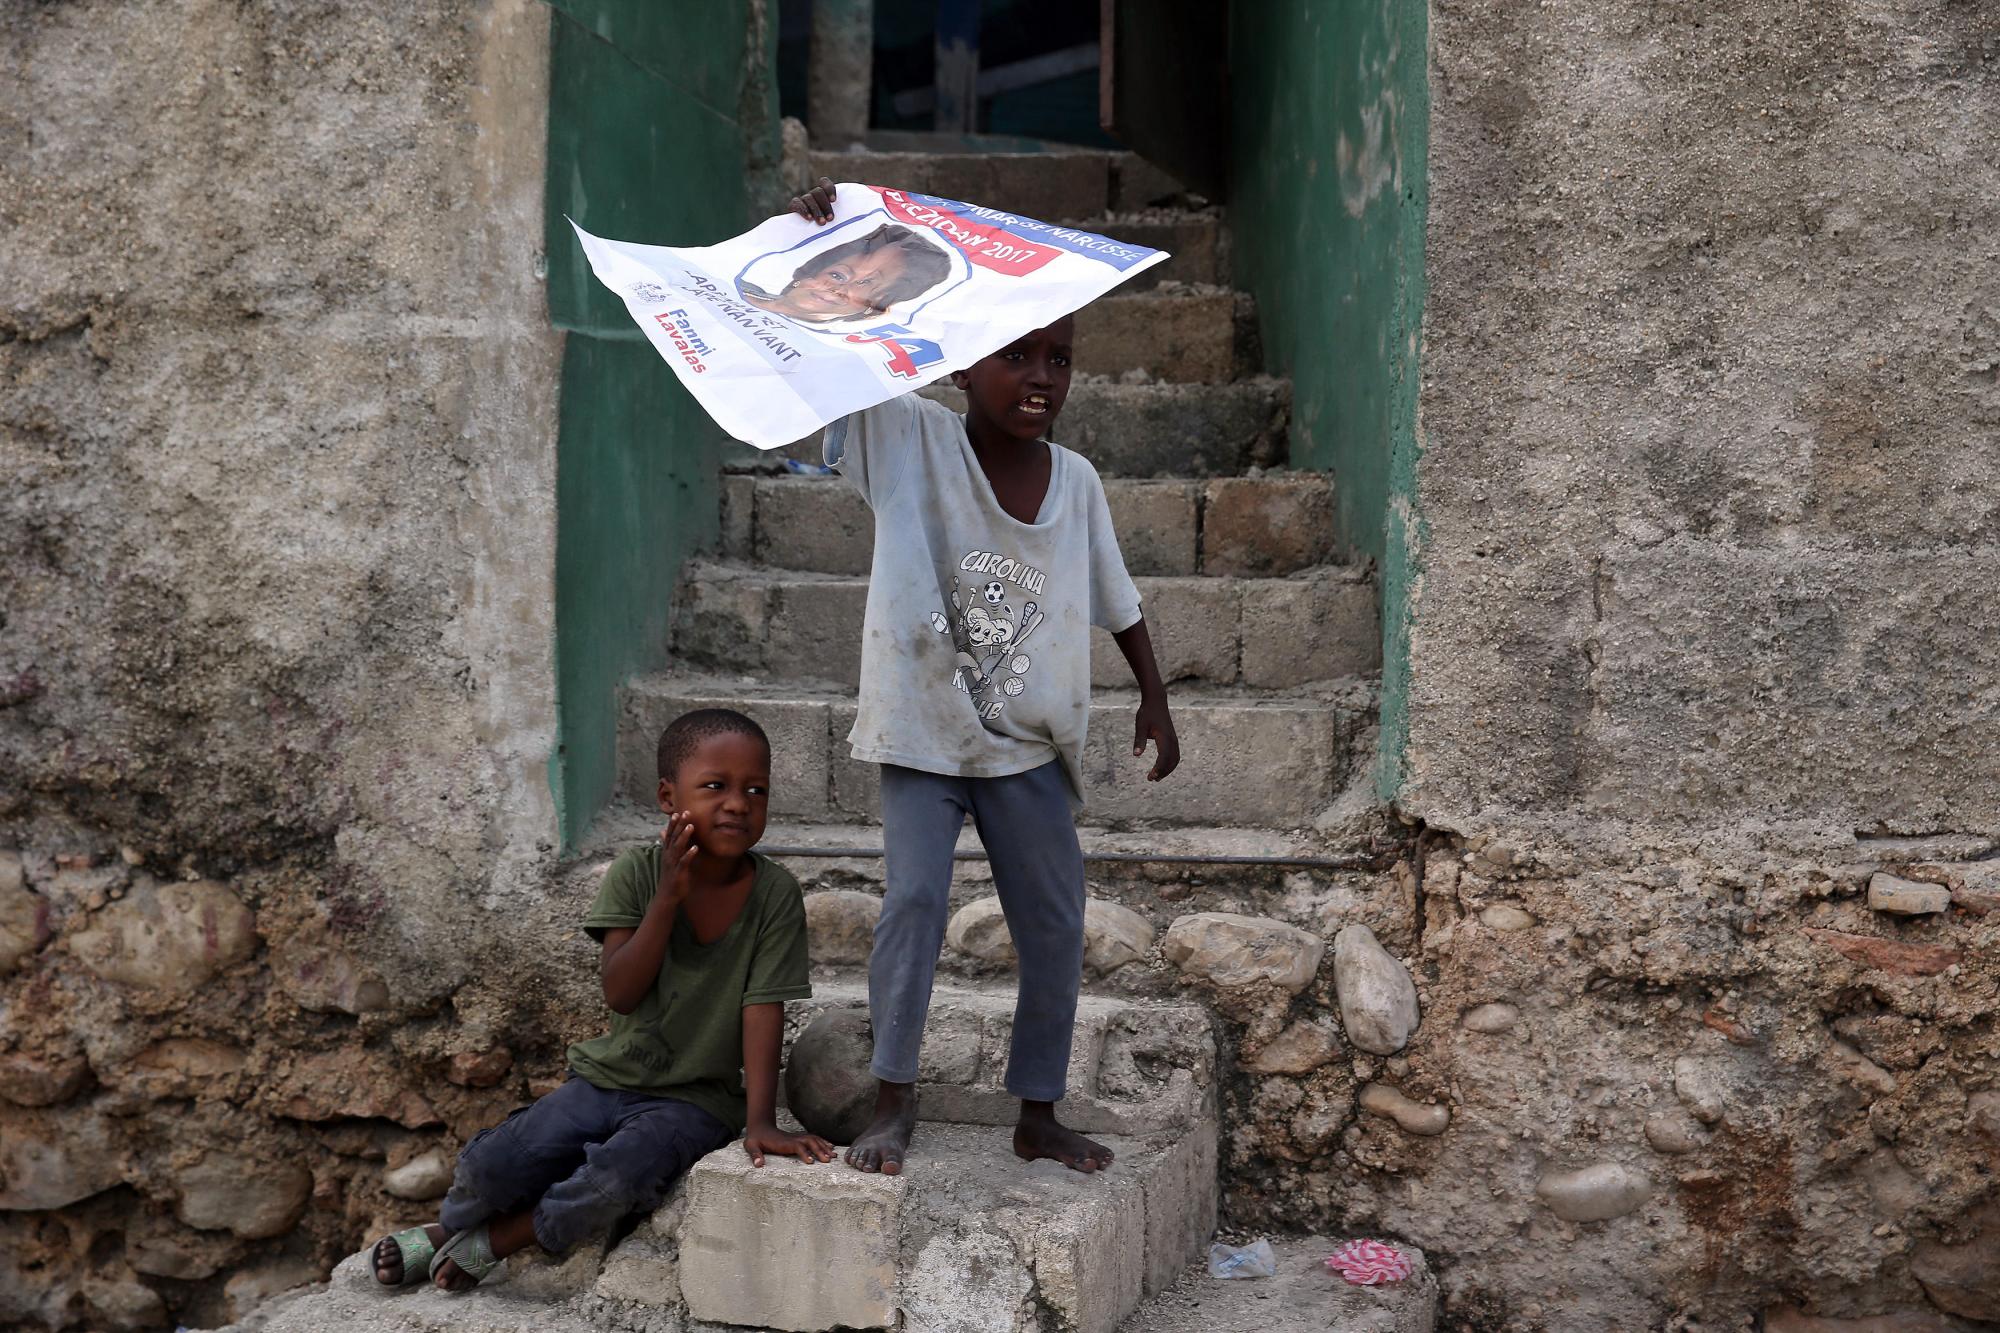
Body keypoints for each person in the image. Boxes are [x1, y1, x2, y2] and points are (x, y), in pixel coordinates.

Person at [788, 178, 1181, 1178]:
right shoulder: (909, 439)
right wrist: (829, 240)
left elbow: (1117, 598)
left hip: (1025, 747)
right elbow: (843, 352)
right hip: (920, 732)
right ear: (961, 367)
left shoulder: (1079, 483)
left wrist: (1153, 696)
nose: (1040, 376)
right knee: (912, 903)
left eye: (1058, 358)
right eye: (1016, 355)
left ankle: (1037, 1111)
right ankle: (890, 1099)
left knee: (1053, 921)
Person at [368, 709, 834, 1292]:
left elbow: (763, 1008)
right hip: (606, 1080)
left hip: (694, 1103)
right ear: (669, 796)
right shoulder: (637, 874)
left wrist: (761, 1120)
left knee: (615, 1179)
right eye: (716, 786)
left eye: (756, 790)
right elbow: (621, 991)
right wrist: (667, 898)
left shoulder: (775, 894)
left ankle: (500, 1239)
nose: (738, 803)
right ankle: (451, 1227)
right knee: (494, 1163)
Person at [740, 220, 952, 324]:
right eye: (837, 275)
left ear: (875, 307)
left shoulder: (826, 360)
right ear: (806, 274)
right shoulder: (738, 288)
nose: (839, 288)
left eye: (865, 284)